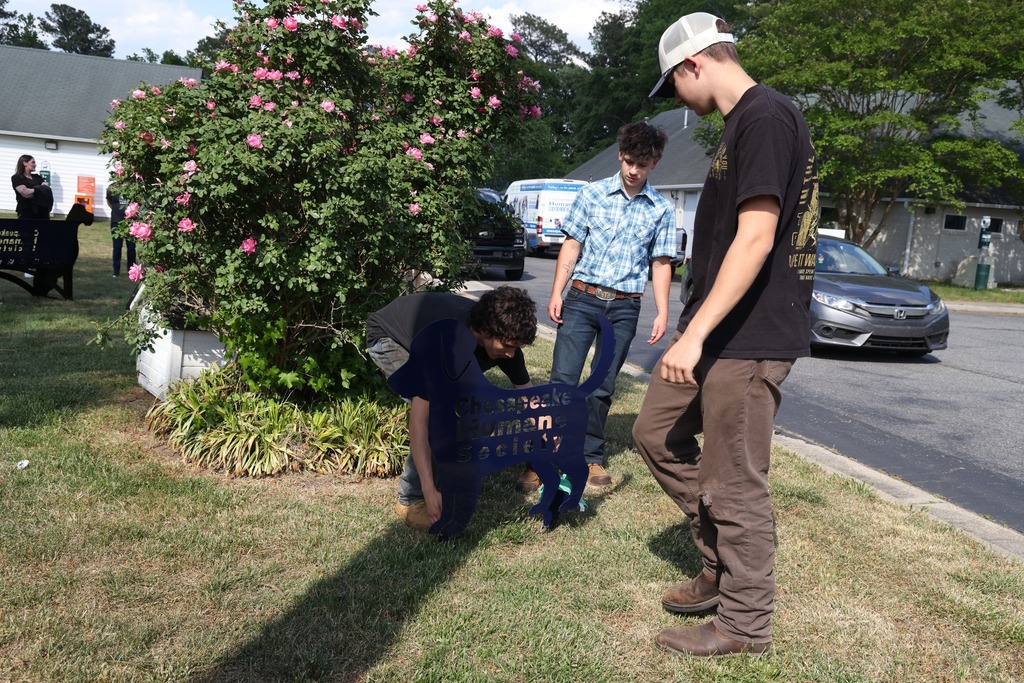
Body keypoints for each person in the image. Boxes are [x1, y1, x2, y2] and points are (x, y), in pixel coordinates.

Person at [633, 13, 819, 657]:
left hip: (750, 334)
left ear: (694, 66)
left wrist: (695, 334)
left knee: (735, 481)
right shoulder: (740, 124)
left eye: (674, 88)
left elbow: (758, 237)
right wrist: (692, 329)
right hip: (715, 330)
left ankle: (743, 623)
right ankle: (717, 553)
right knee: (654, 431)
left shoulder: (765, 117)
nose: (678, 103)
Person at [529, 121, 674, 493]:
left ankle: (590, 456)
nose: (633, 170)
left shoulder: (661, 209)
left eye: (642, 164)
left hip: (624, 307)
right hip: (580, 298)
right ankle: (545, 452)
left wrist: (662, 310)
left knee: (602, 386)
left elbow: (660, 262)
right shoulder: (591, 195)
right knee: (563, 380)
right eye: (629, 161)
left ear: (654, 163)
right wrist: (557, 291)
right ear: (620, 154)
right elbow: (572, 245)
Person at [366, 286, 538, 532]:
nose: (511, 354)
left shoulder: (505, 341)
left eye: (516, 347)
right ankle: (411, 499)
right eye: (508, 346)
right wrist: (428, 487)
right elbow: (420, 420)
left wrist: (548, 430)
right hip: (390, 338)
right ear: (485, 331)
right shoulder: (446, 345)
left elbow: (527, 395)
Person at [106, 185, 135, 278]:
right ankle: (116, 271)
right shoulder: (112, 187)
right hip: (116, 221)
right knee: (117, 247)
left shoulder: (133, 186)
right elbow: (109, 201)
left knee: (131, 248)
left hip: (130, 222)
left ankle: (131, 271)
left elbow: (138, 201)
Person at [11, 155, 50, 220]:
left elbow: (46, 191)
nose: (35, 165)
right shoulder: (17, 178)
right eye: (33, 162)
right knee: (26, 230)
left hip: (42, 211)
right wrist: (39, 189)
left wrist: (33, 191)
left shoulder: (37, 177)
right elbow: (25, 193)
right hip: (26, 212)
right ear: (25, 163)